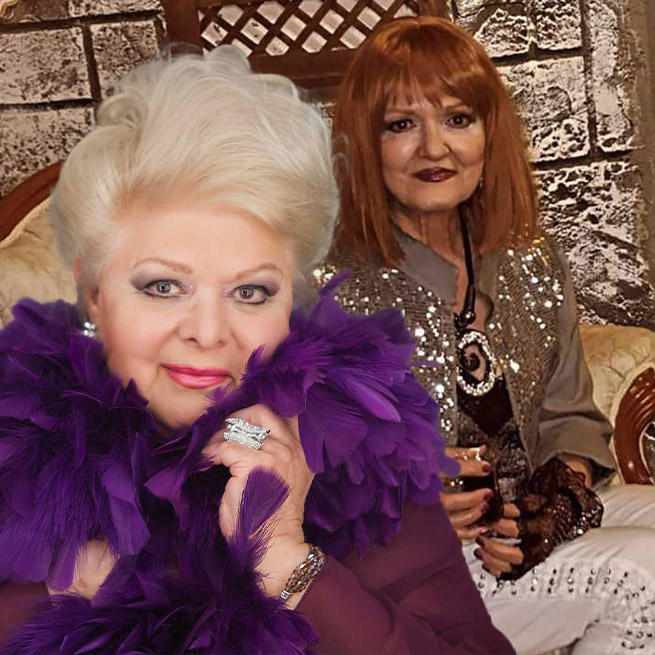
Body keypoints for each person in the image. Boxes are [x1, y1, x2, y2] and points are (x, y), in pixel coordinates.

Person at [0, 47, 514, 654]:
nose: (208, 332)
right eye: (163, 286)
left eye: (250, 292)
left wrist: (289, 563)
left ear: (290, 300)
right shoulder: (14, 444)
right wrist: (62, 593)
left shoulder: (363, 451)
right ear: (93, 292)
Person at [317, 15, 655, 655]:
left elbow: (569, 416)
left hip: (522, 525)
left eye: (457, 119)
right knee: (646, 577)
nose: (434, 149)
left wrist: (557, 504)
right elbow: (264, 445)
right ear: (365, 143)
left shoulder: (530, 256)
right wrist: (400, 497)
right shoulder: (323, 284)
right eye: (401, 125)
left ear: (488, 132)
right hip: (406, 563)